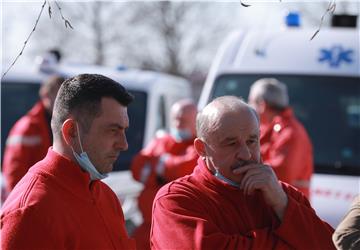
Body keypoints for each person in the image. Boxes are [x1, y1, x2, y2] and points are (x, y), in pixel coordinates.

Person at [151, 96, 335, 249]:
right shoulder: (176, 199)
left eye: (252, 141)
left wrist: (283, 205)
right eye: (231, 143)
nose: (246, 153)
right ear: (202, 148)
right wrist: (289, 240)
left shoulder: (285, 195)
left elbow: (329, 246)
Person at [1, 74, 136, 249]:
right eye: (112, 131)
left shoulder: (107, 197)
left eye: (124, 130)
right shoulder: (32, 211)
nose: (124, 144)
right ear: (71, 131)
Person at [131, 99, 198, 250]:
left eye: (184, 120)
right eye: (176, 119)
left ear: (196, 120)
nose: (178, 124)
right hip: (148, 225)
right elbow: (137, 168)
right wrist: (162, 174)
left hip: (178, 228)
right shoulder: (160, 141)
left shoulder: (199, 146)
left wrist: (157, 168)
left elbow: (185, 168)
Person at [248, 78, 313, 198]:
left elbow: (281, 172)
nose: (249, 107)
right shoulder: (273, 128)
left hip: (289, 208)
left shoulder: (291, 132)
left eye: (250, 102)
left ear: (262, 105)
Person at [2, 75, 65, 195]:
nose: (61, 102)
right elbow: (14, 172)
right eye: (58, 96)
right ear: (45, 95)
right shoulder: (28, 127)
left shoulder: (66, 124)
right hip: (33, 198)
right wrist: (21, 202)